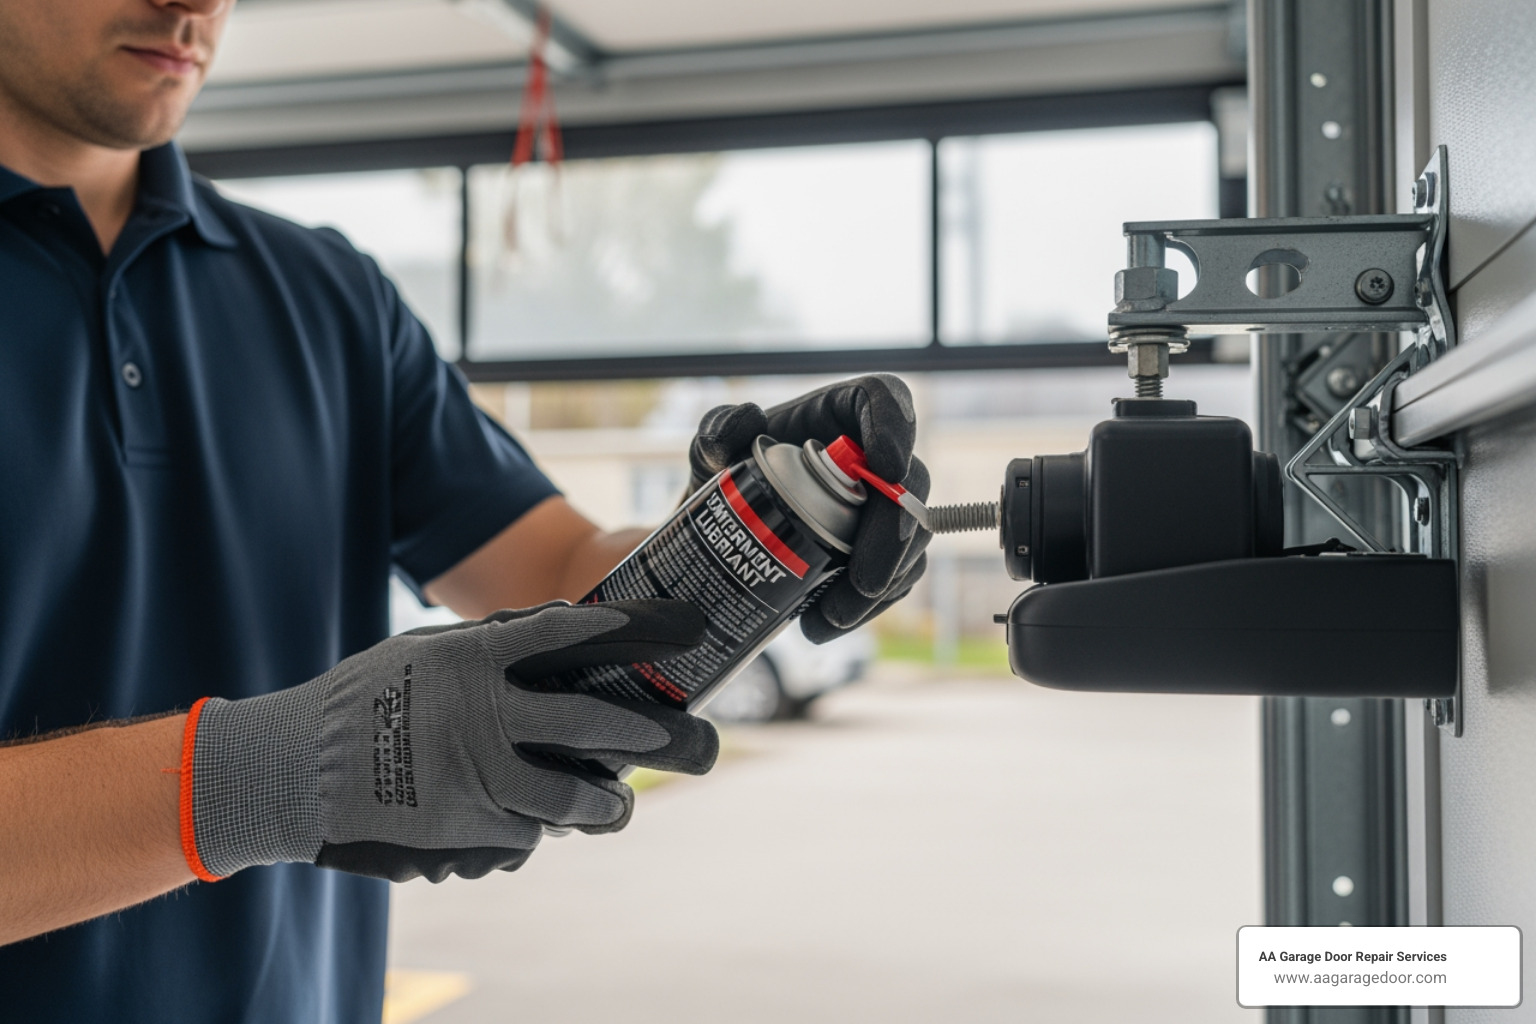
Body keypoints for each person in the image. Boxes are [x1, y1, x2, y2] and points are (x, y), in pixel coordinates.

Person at [0, 0, 931, 1020]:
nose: (190, 5)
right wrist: (268, 775)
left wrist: (753, 535)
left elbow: (560, 574)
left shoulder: (326, 297)